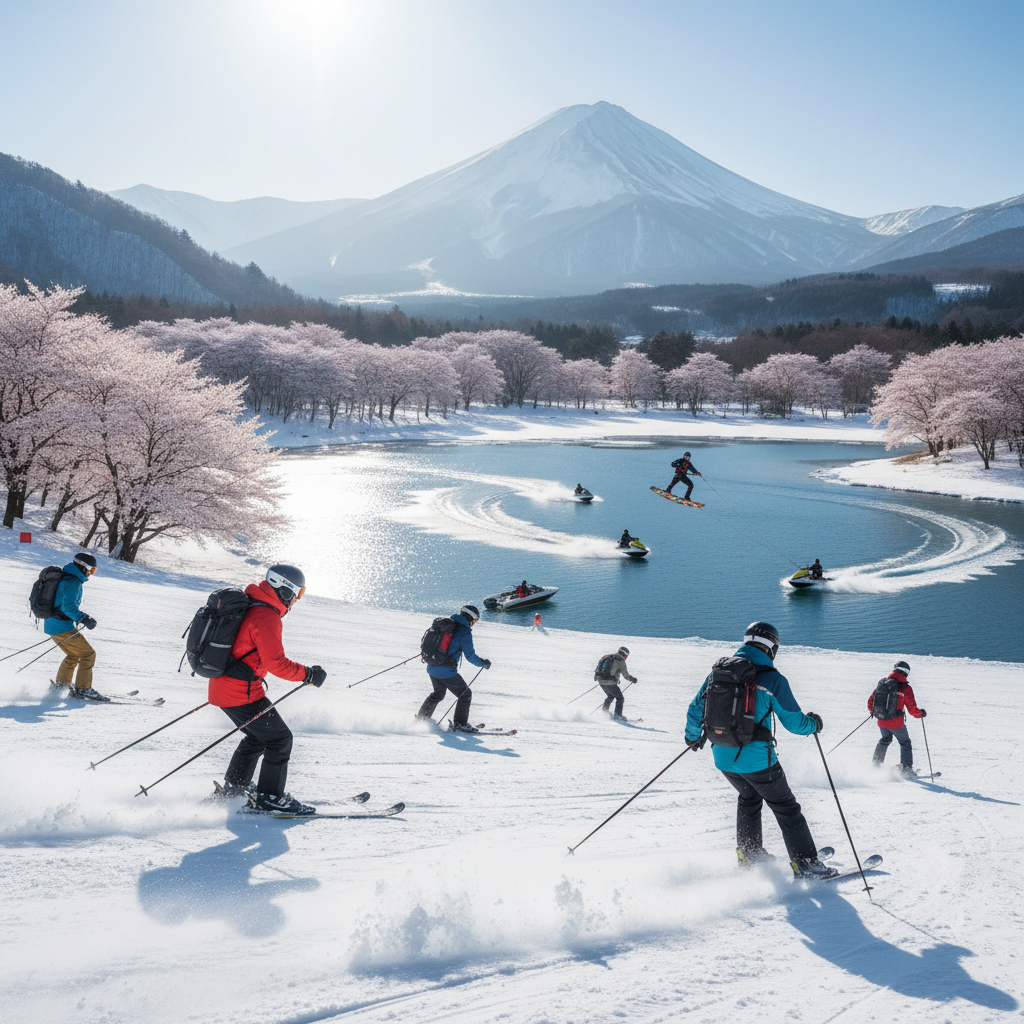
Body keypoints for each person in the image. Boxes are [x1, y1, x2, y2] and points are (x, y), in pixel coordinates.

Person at [684, 621, 837, 877]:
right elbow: (795, 723)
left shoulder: (718, 673)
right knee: (787, 808)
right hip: (757, 761)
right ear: (771, 648)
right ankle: (807, 865)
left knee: (749, 798)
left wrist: (692, 737)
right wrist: (814, 724)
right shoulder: (773, 679)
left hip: (722, 756)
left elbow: (695, 708)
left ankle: (749, 854)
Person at [210, 564, 327, 815]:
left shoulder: (253, 603)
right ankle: (270, 797)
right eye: (298, 593)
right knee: (280, 739)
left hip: (224, 689)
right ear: (284, 589)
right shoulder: (267, 617)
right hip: (241, 692)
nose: (297, 600)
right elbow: (277, 664)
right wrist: (308, 674)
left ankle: (236, 786)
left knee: (258, 736)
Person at [417, 604, 491, 732]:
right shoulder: (465, 633)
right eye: (475, 620)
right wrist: (482, 663)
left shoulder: (446, 626)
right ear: (470, 618)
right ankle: (460, 724)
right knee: (465, 695)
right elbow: (470, 656)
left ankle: (421, 718)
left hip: (432, 666)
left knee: (438, 694)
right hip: (445, 671)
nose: (475, 623)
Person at [46, 552, 104, 700]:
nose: (91, 573)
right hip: (61, 627)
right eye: (91, 570)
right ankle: (83, 688)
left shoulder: (67, 577)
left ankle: (61, 684)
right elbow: (68, 607)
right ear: (83, 566)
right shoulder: (73, 582)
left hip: (53, 624)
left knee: (74, 654)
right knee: (88, 654)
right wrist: (83, 618)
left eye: (94, 571)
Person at [868, 660, 925, 775]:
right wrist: (921, 714)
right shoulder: (905, 688)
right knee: (905, 742)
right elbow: (912, 708)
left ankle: (876, 764)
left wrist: (874, 712)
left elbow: (871, 701)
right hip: (896, 723)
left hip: (881, 720)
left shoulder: (883, 683)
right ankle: (906, 768)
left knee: (885, 740)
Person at [595, 646, 637, 719]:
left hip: (600, 681)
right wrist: (633, 679)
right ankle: (618, 716)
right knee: (620, 698)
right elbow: (626, 675)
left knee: (611, 696)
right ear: (624, 655)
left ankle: (604, 712)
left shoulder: (607, 657)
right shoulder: (620, 661)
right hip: (610, 682)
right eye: (626, 657)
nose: (625, 658)